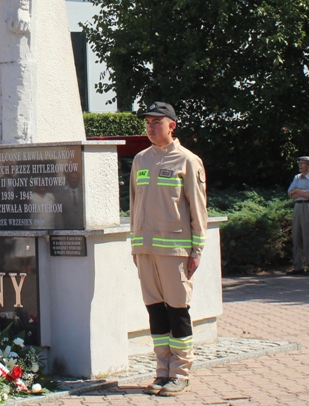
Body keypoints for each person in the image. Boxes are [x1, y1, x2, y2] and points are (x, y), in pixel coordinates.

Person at [130, 102, 208, 397]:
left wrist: (197, 248)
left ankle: (181, 373)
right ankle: (162, 372)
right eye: (148, 122)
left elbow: (198, 209)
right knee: (155, 313)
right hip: (146, 250)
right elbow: (134, 203)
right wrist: (135, 245)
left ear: (172, 126)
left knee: (177, 312)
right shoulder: (140, 159)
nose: (150, 127)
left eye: (156, 122)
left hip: (175, 250)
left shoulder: (188, 161)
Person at [287, 156, 309, 276]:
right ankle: (298, 267)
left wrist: (298, 191)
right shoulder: (297, 177)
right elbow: (290, 193)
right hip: (298, 206)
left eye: (303, 163)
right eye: (299, 163)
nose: (300, 165)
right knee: (296, 236)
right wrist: (301, 192)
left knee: (308, 237)